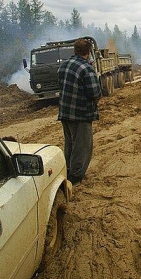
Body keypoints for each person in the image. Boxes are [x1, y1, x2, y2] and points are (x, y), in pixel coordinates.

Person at [57, 38, 102, 184]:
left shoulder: (64, 65)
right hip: (81, 114)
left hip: (65, 112)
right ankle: (75, 178)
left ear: (75, 50)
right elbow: (95, 93)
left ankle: (67, 171)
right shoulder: (86, 68)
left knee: (70, 144)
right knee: (82, 147)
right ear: (88, 52)